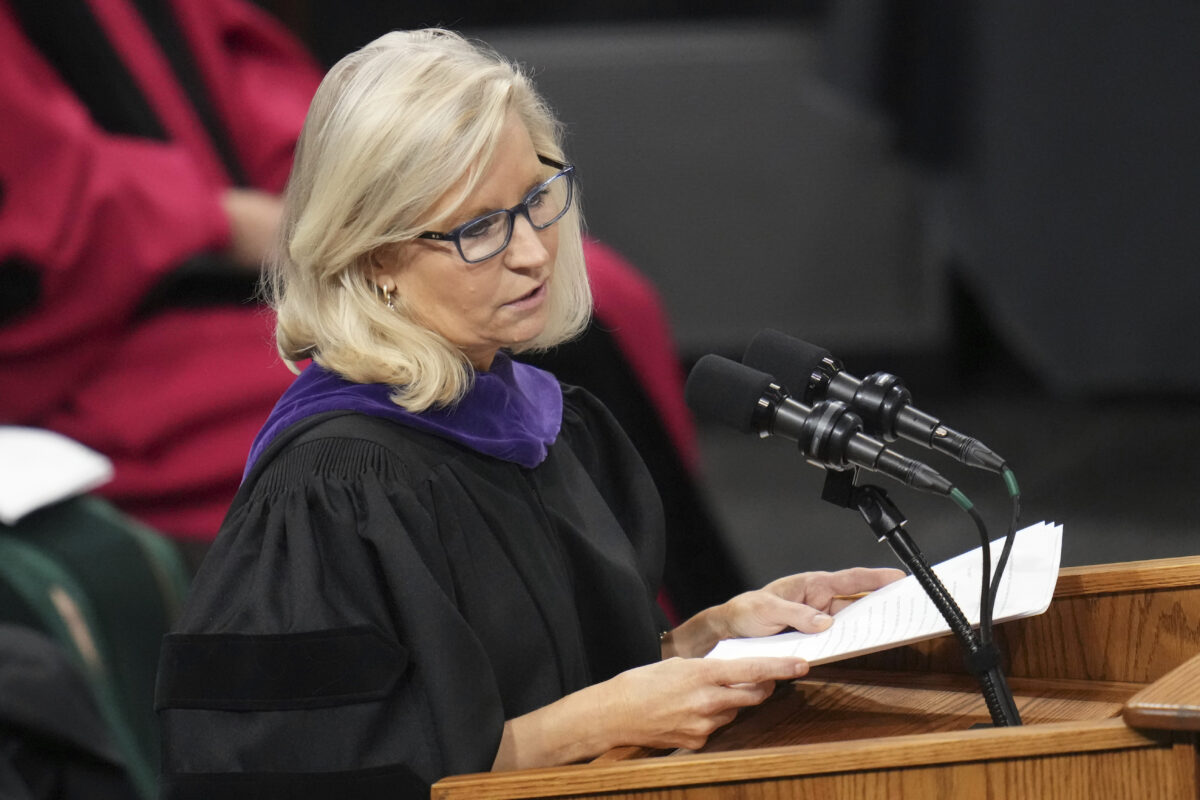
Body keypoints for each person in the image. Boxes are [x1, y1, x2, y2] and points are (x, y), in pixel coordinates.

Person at [154, 29, 902, 796]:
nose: (534, 253)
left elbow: (557, 677)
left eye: (535, 200)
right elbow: (305, 776)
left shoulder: (545, 424)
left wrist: (706, 642)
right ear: (374, 256)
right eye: (479, 228)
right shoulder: (333, 490)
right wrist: (600, 723)